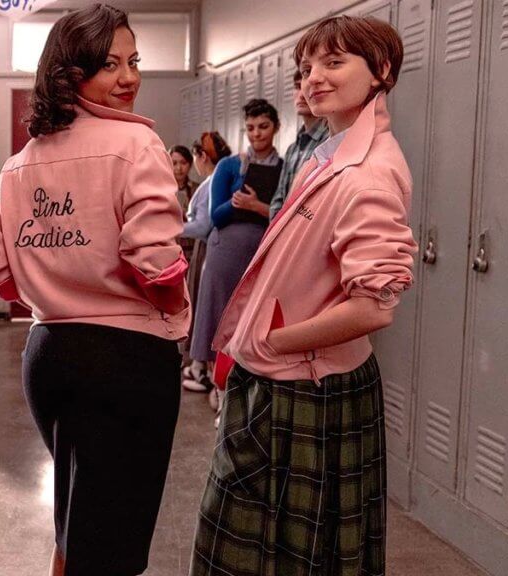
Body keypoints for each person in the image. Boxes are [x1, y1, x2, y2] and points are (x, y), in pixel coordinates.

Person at [190, 15, 415, 576]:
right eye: (307, 67)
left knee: (286, 554)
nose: (313, 78)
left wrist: (273, 340)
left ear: (381, 71)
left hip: (303, 385)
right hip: (285, 374)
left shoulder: (365, 174)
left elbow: (374, 305)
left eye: (334, 63)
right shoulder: (330, 155)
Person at [0, 5, 189, 575]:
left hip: (48, 355)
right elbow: (156, 263)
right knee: (113, 546)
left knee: (77, 525)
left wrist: (57, 286)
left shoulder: (19, 163)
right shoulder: (136, 145)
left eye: (133, 61)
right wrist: (175, 317)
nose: (128, 78)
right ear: (71, 73)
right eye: (109, 65)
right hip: (124, 358)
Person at [189, 99, 282, 397]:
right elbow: (215, 216)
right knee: (219, 314)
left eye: (263, 127)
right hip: (225, 248)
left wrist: (256, 206)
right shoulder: (230, 165)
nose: (257, 134)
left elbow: (286, 214)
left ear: (276, 128)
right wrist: (236, 203)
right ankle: (219, 385)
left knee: (251, 318)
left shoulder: (284, 167)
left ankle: (245, 384)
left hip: (262, 248)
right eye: (251, 128)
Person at [179, 131, 231, 393]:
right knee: (200, 306)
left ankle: (204, 369)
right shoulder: (212, 181)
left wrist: (173, 226)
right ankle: (199, 364)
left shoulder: (212, 184)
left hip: (208, 249)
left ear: (201, 156)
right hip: (205, 249)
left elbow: (203, 225)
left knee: (205, 307)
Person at [268, 69, 330, 220]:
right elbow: (279, 198)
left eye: (309, 85)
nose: (302, 94)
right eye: (297, 86)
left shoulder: (329, 142)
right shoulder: (292, 149)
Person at [170, 144, 195, 214]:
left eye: (183, 163)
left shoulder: (197, 189)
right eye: (174, 163)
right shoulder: (161, 189)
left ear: (190, 165)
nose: (179, 168)